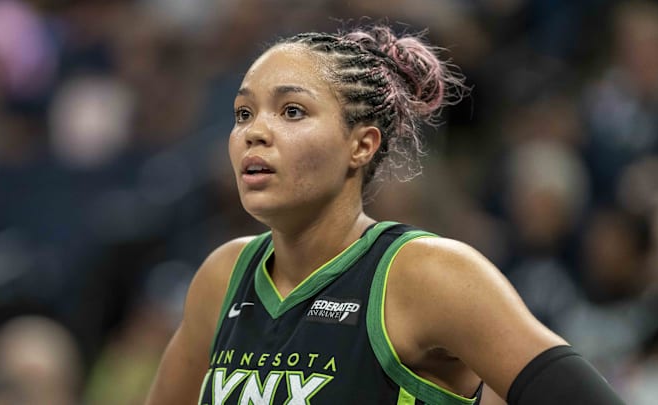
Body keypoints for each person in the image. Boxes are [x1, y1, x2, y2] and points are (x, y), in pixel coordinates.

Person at [145, 25, 625, 405]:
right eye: (244, 113)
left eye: (291, 111)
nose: (255, 132)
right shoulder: (223, 276)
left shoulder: (428, 275)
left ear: (361, 144)